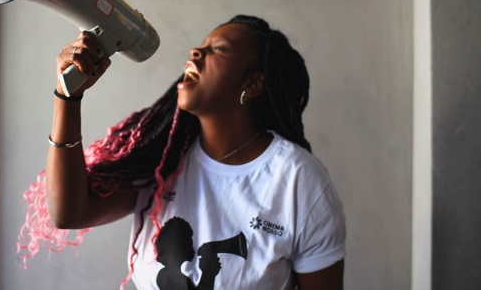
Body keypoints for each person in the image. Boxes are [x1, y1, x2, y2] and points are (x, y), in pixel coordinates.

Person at [19, 15, 346, 290]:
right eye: (201, 45)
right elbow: (70, 213)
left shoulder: (299, 181)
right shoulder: (160, 160)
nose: (196, 52)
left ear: (254, 84)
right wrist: (67, 96)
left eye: (218, 49)